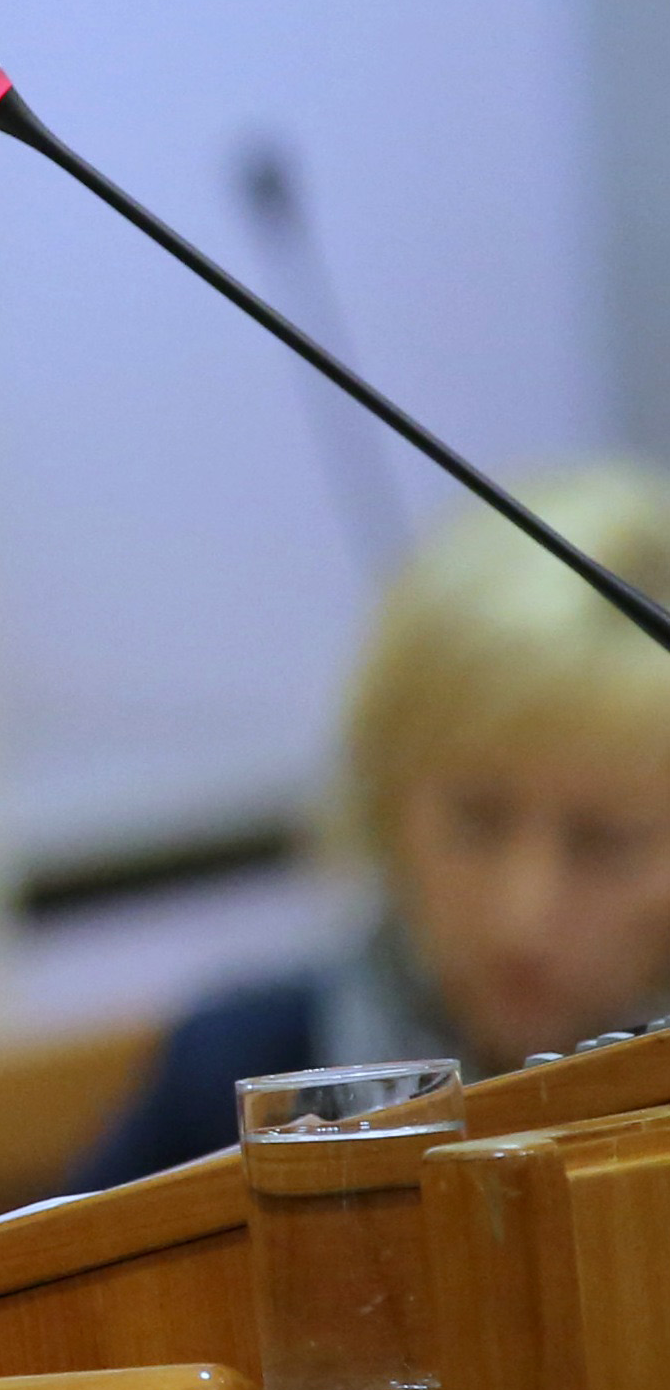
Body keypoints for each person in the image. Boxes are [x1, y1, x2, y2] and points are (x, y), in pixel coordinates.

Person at [70, 463, 670, 1190]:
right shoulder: (232, 1071)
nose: (522, 912)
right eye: (475, 822)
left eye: (604, 841)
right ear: (385, 798)